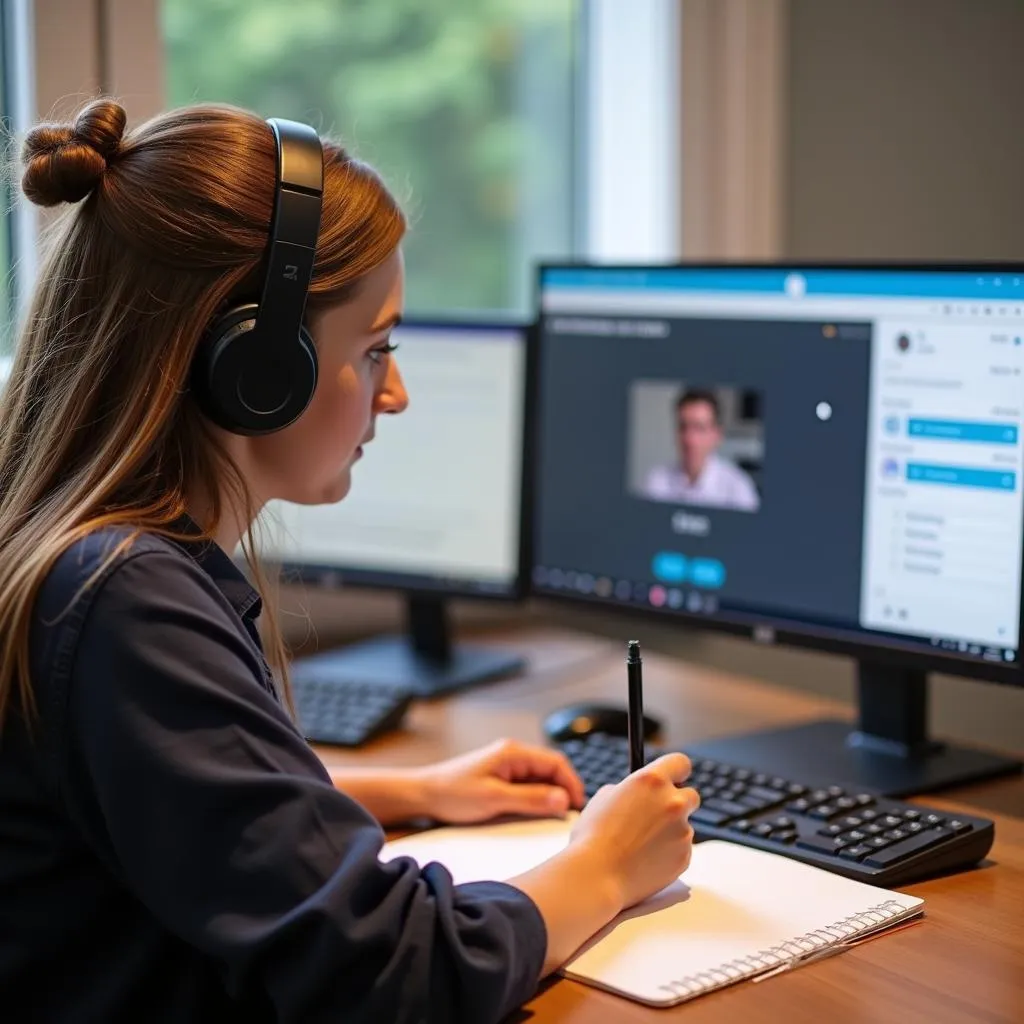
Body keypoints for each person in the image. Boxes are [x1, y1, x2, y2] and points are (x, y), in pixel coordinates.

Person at [0, 99, 699, 1023]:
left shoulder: (88, 556)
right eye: (377, 350)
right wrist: (603, 865)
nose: (396, 393)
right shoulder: (127, 596)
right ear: (257, 364)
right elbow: (393, 975)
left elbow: (175, 817)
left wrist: (408, 790)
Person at [644, 388, 760, 511]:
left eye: (699, 428)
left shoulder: (738, 488)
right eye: (683, 427)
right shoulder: (657, 481)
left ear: (717, 435)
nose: (689, 439)